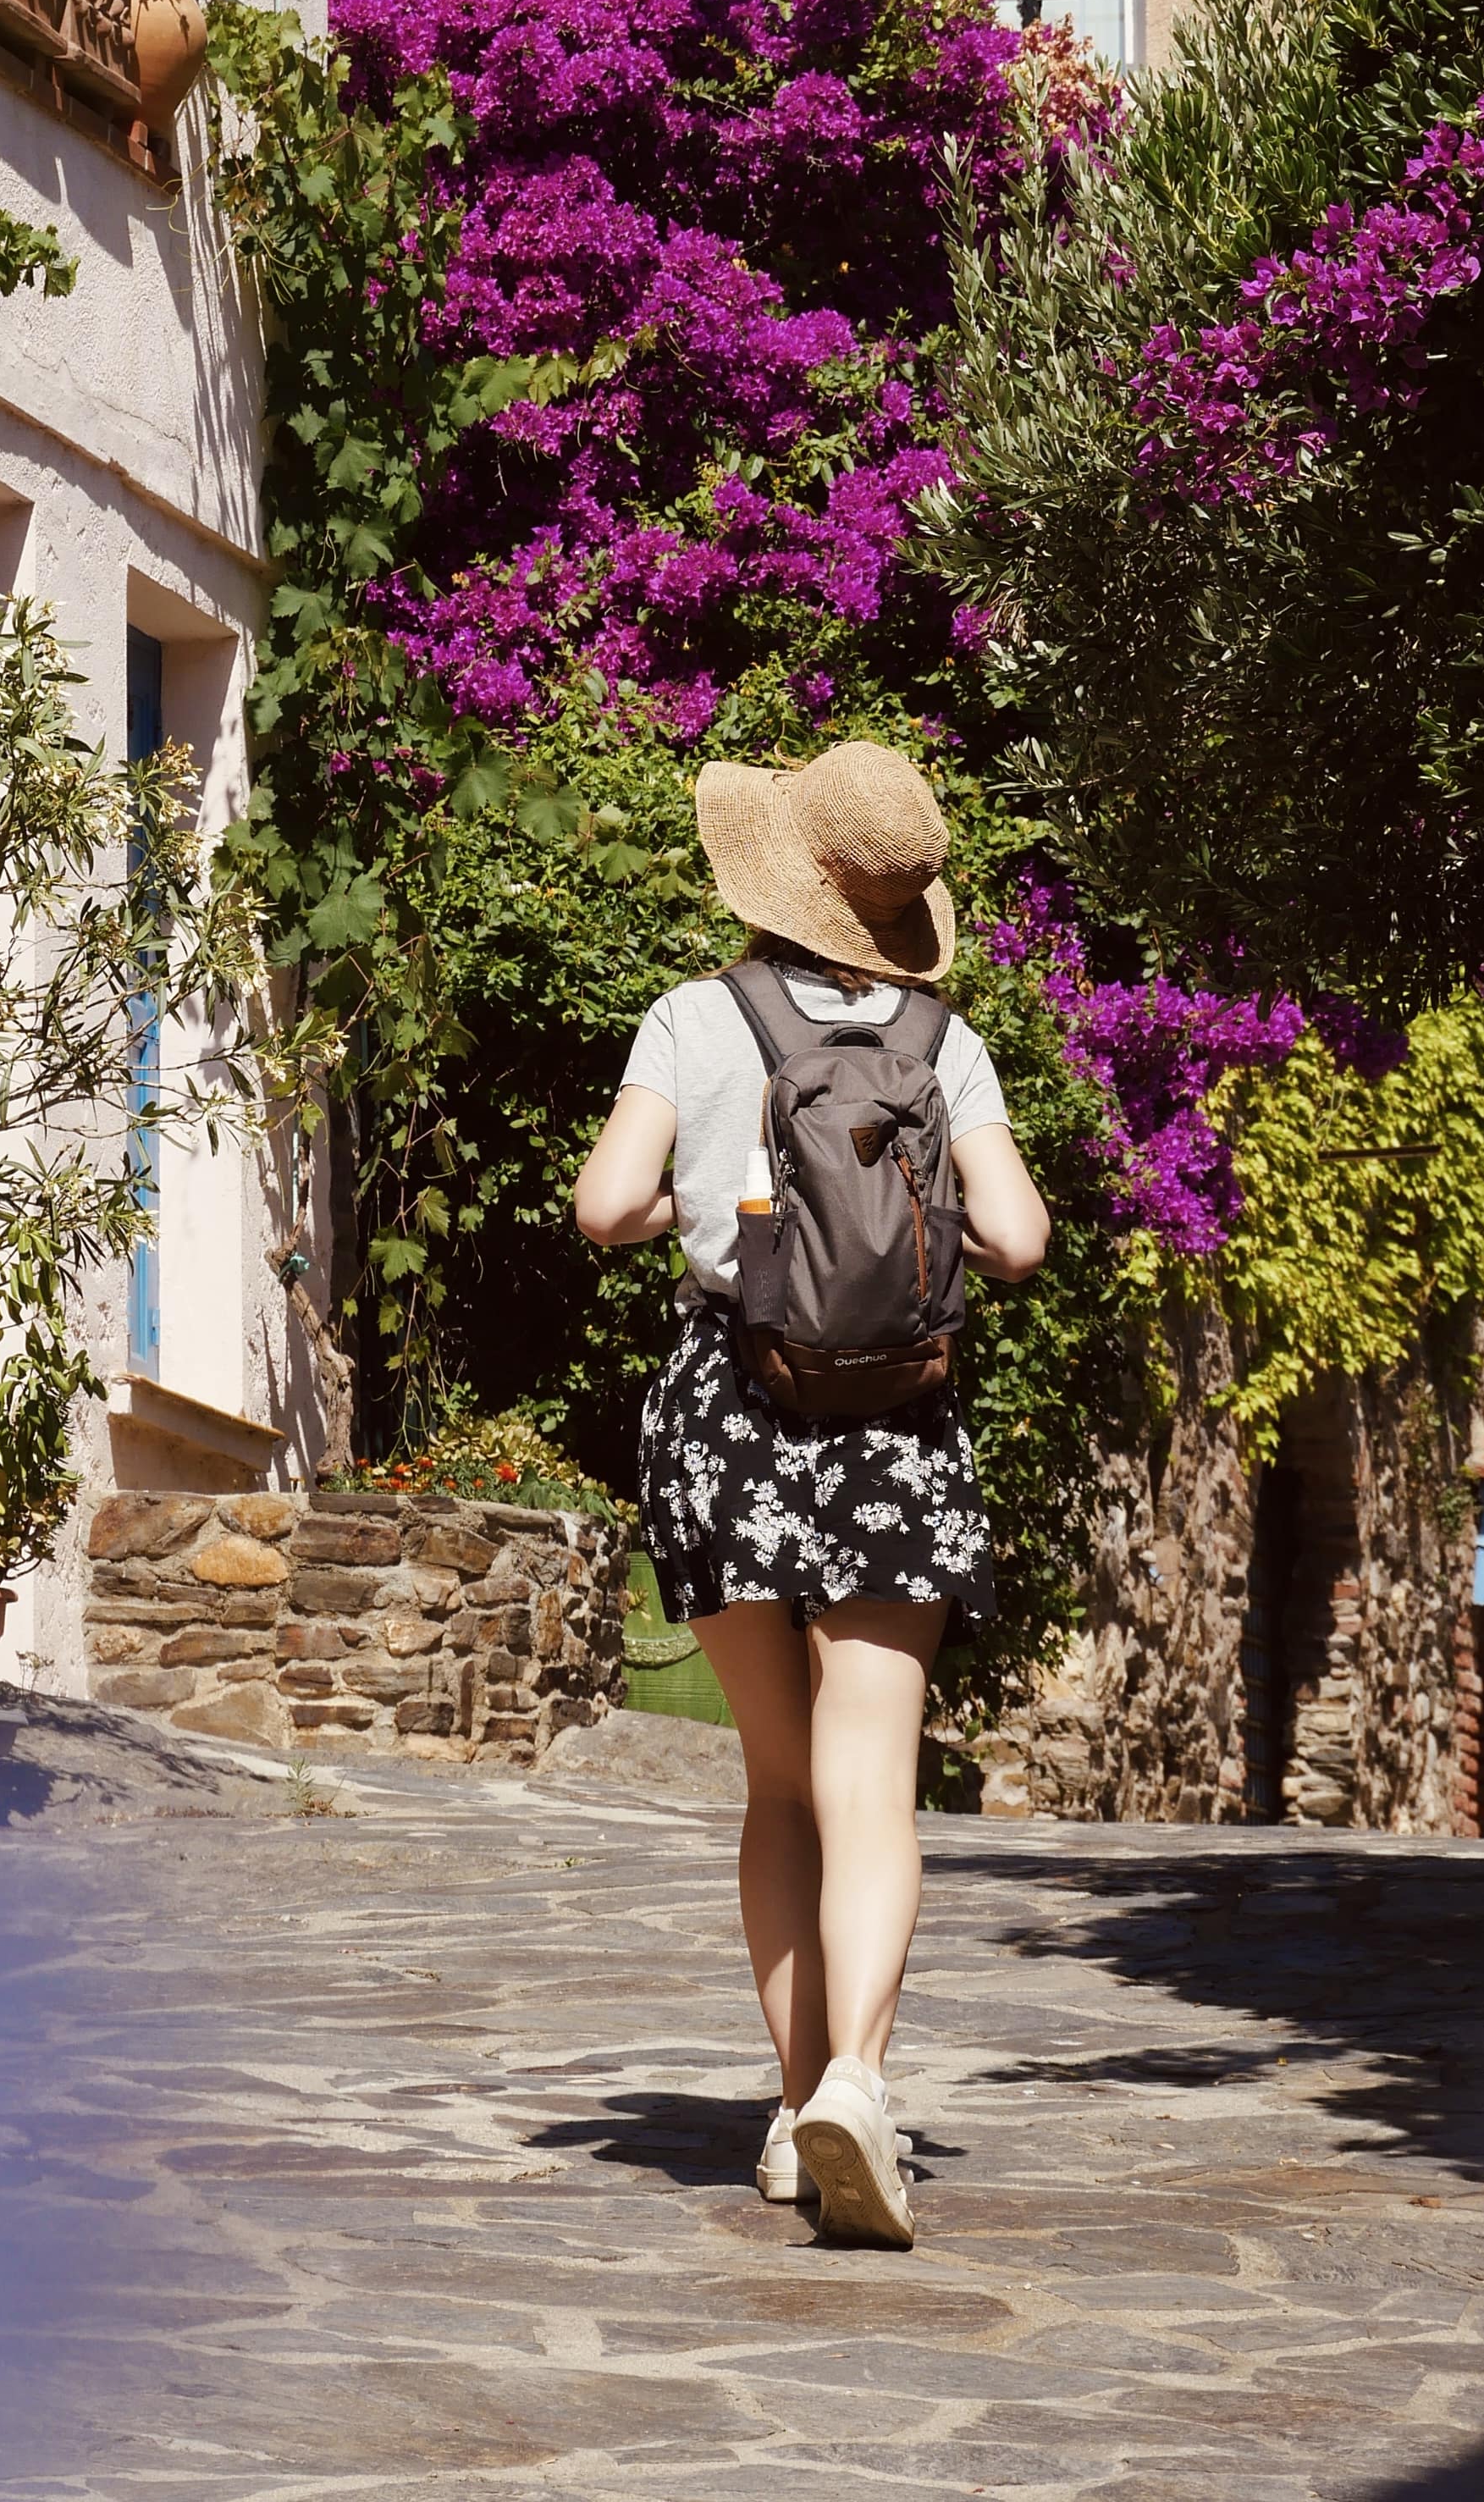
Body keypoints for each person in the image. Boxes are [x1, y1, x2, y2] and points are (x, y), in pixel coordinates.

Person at [573, 737, 1050, 2246]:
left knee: (780, 1783)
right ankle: (859, 2080)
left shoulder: (695, 1016)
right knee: (870, 1781)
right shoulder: (942, 1044)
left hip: (729, 1410)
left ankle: (793, 2117)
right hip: (893, 1423)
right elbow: (1021, 1241)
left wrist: (696, 1208)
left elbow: (606, 1206)